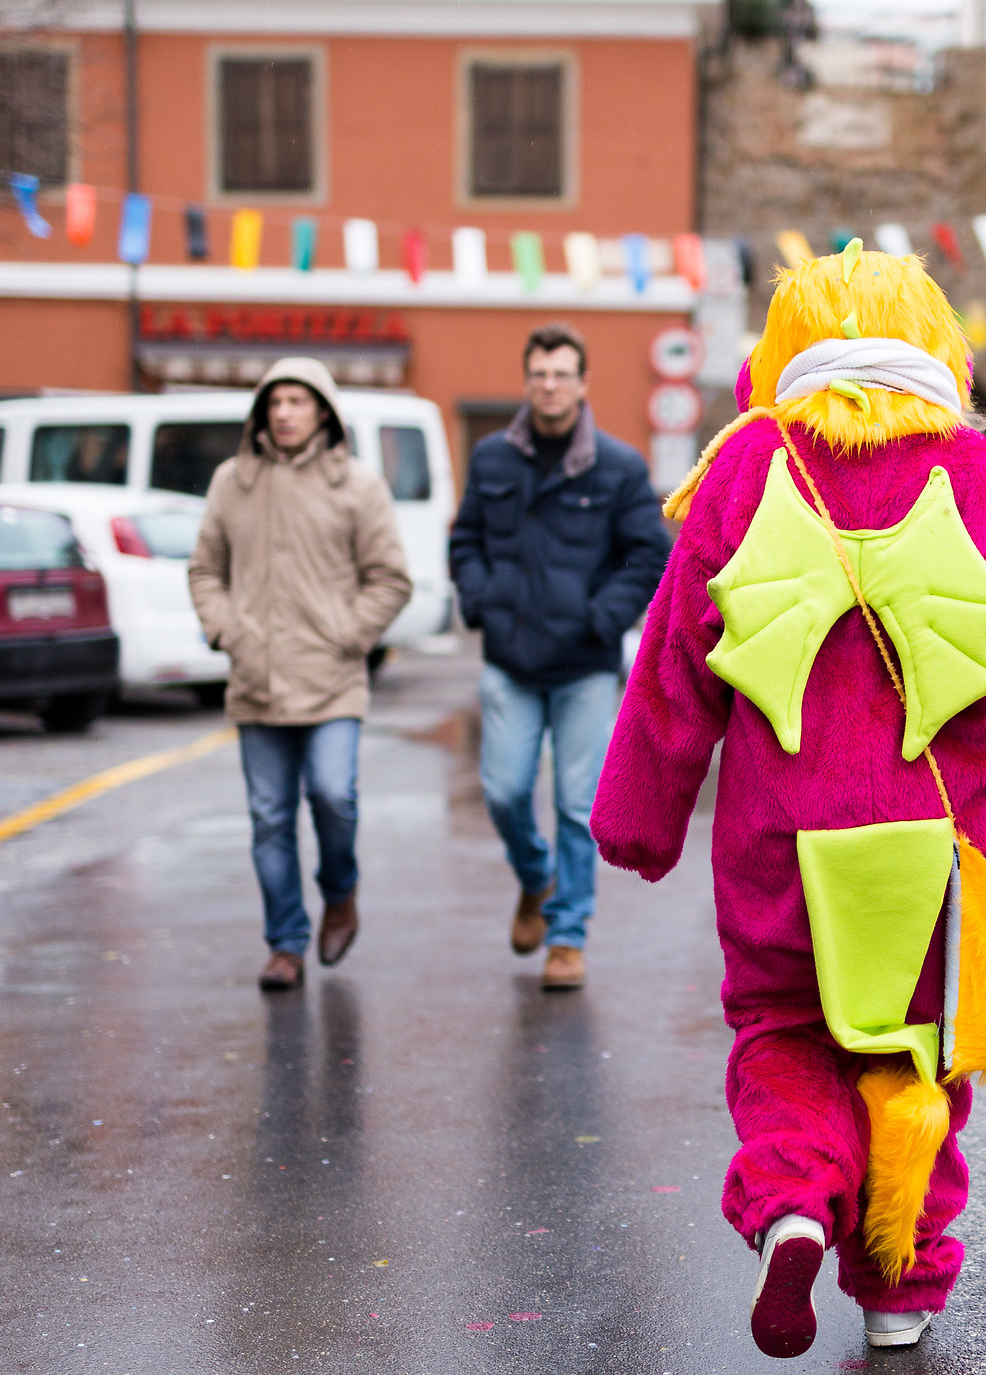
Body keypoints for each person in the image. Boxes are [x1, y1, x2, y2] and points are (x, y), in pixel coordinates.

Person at [591, 243, 986, 1361]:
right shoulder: (974, 473)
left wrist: (638, 819)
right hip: (932, 841)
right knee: (916, 1054)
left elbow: (676, 659)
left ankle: (794, 1199)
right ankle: (899, 1283)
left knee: (783, 1028)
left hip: (778, 836)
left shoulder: (746, 467)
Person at [448, 322, 671, 990]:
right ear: (527, 381)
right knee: (504, 792)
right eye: (539, 374)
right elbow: (465, 540)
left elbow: (648, 555)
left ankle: (567, 936)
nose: (549, 385)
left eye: (561, 374)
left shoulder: (618, 466)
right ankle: (535, 876)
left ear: (582, 383)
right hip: (510, 659)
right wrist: (482, 601)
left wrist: (602, 617)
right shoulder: (492, 458)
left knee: (577, 806)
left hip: (584, 668)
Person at [188, 357, 413, 991]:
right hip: (255, 681)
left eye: (297, 401)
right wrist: (226, 630)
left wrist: (348, 634)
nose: (285, 412)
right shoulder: (232, 482)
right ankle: (285, 942)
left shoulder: (358, 485)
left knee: (333, 795)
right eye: (275, 401)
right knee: (269, 818)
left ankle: (340, 892)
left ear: (323, 411)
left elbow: (390, 579)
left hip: (331, 678)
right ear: (261, 411)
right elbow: (204, 569)